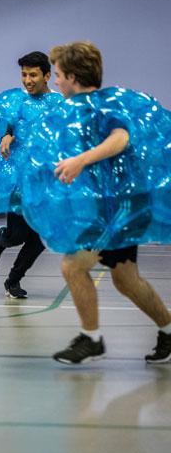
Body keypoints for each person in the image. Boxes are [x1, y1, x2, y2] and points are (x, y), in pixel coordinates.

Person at [49, 41, 171, 364]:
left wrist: (80, 161)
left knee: (72, 266)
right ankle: (170, 329)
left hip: (119, 208)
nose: (55, 81)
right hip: (118, 205)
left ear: (73, 77)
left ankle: (91, 339)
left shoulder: (102, 108)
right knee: (126, 280)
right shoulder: (81, 109)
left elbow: (121, 138)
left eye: (58, 75)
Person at [0, 51, 57, 299]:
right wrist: (6, 136)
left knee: (37, 240)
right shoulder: (19, 104)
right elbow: (10, 128)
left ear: (47, 75)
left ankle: (13, 281)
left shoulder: (58, 104)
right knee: (17, 236)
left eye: (33, 74)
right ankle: (1, 239)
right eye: (24, 74)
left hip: (45, 184)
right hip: (19, 182)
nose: (27, 80)